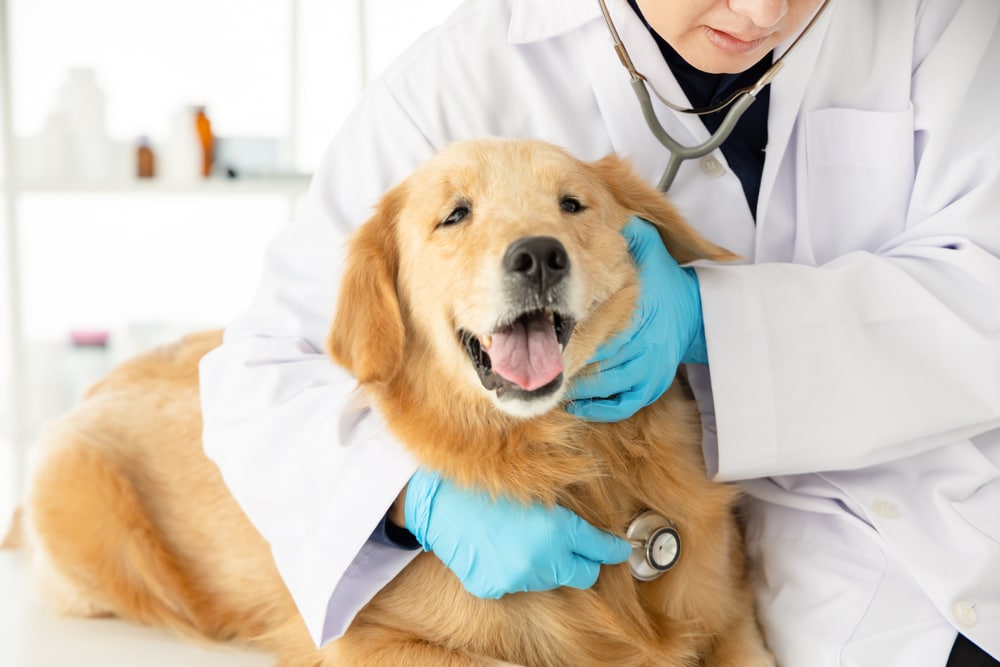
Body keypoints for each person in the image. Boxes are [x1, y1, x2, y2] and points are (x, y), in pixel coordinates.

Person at [197, 1, 1000, 665]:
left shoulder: (948, 24)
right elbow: (265, 369)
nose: (763, 14)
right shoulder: (453, 79)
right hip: (726, 585)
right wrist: (414, 497)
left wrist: (711, 321)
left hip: (954, 534)